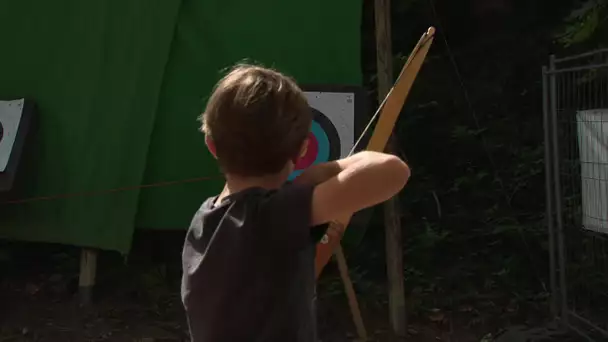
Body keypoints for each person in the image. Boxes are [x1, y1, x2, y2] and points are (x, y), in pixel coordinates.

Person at [181, 63, 410, 342]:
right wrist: (320, 173)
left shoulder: (203, 218)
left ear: (211, 145)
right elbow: (394, 171)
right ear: (303, 150)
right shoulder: (276, 215)